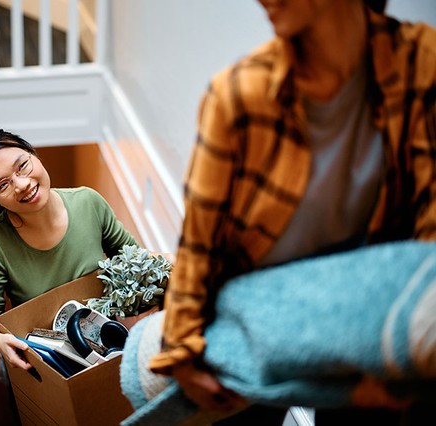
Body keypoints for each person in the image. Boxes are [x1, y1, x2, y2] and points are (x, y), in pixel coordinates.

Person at [149, 0, 436, 425]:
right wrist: (181, 349)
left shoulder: (421, 62)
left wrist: (406, 337)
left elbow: (428, 231)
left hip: (358, 314)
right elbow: (199, 244)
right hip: (254, 316)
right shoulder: (238, 96)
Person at [0, 129, 139, 371]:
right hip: (43, 364)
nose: (22, 185)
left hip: (106, 349)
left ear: (33, 154)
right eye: (3, 185)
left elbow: (132, 259)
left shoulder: (89, 203)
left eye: (22, 166)